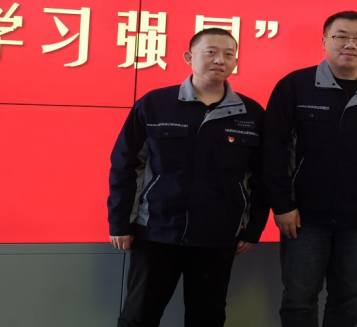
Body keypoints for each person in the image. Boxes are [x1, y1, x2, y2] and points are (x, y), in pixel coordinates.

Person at [107, 28, 269, 327]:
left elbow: (262, 177)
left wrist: (253, 228)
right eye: (211, 52)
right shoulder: (155, 104)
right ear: (188, 57)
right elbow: (126, 165)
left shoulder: (251, 113)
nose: (220, 60)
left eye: (229, 54)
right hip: (156, 231)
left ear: (235, 62)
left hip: (218, 236)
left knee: (207, 317)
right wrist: (120, 221)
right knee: (138, 316)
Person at [263, 10, 357, 327]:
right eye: (341, 36)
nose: (350, 43)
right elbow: (273, 149)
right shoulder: (295, 86)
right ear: (324, 41)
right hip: (303, 218)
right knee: (298, 301)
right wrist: (281, 204)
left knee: (349, 300)